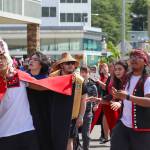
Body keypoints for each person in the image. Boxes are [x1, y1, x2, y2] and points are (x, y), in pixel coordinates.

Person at [0, 39, 74, 150]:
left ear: (7, 58)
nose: (0, 61)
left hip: (27, 131)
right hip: (4, 134)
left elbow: (40, 85)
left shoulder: (18, 76)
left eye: (2, 57)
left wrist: (64, 82)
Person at [111, 49, 150, 150]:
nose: (133, 59)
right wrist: (115, 97)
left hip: (142, 128)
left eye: (138, 57)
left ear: (145, 61)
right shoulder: (127, 77)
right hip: (123, 125)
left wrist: (128, 97)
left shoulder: (147, 80)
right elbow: (120, 95)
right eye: (132, 57)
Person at [50, 53, 87, 150]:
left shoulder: (80, 80)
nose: (71, 65)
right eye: (67, 63)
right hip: (55, 115)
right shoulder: (52, 77)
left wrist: (81, 116)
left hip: (71, 116)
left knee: (69, 140)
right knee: (55, 140)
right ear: (61, 65)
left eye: (72, 63)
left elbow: (84, 100)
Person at [80, 65, 98, 150]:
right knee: (74, 134)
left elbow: (96, 99)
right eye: (82, 72)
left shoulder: (93, 86)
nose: (83, 74)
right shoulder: (77, 84)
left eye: (85, 72)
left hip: (87, 112)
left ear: (89, 74)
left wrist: (95, 105)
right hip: (76, 112)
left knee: (85, 135)